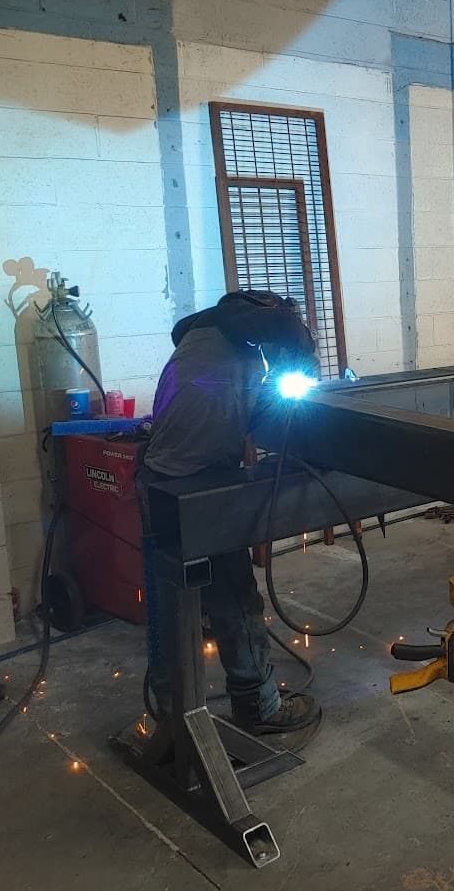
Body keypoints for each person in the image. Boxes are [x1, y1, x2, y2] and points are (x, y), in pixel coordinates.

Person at [137, 290, 321, 736]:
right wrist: (303, 368)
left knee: (168, 603)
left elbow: (247, 410)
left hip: (155, 479)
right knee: (234, 597)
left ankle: (170, 710)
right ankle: (258, 707)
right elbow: (290, 346)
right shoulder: (260, 324)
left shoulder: (211, 336)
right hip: (196, 484)